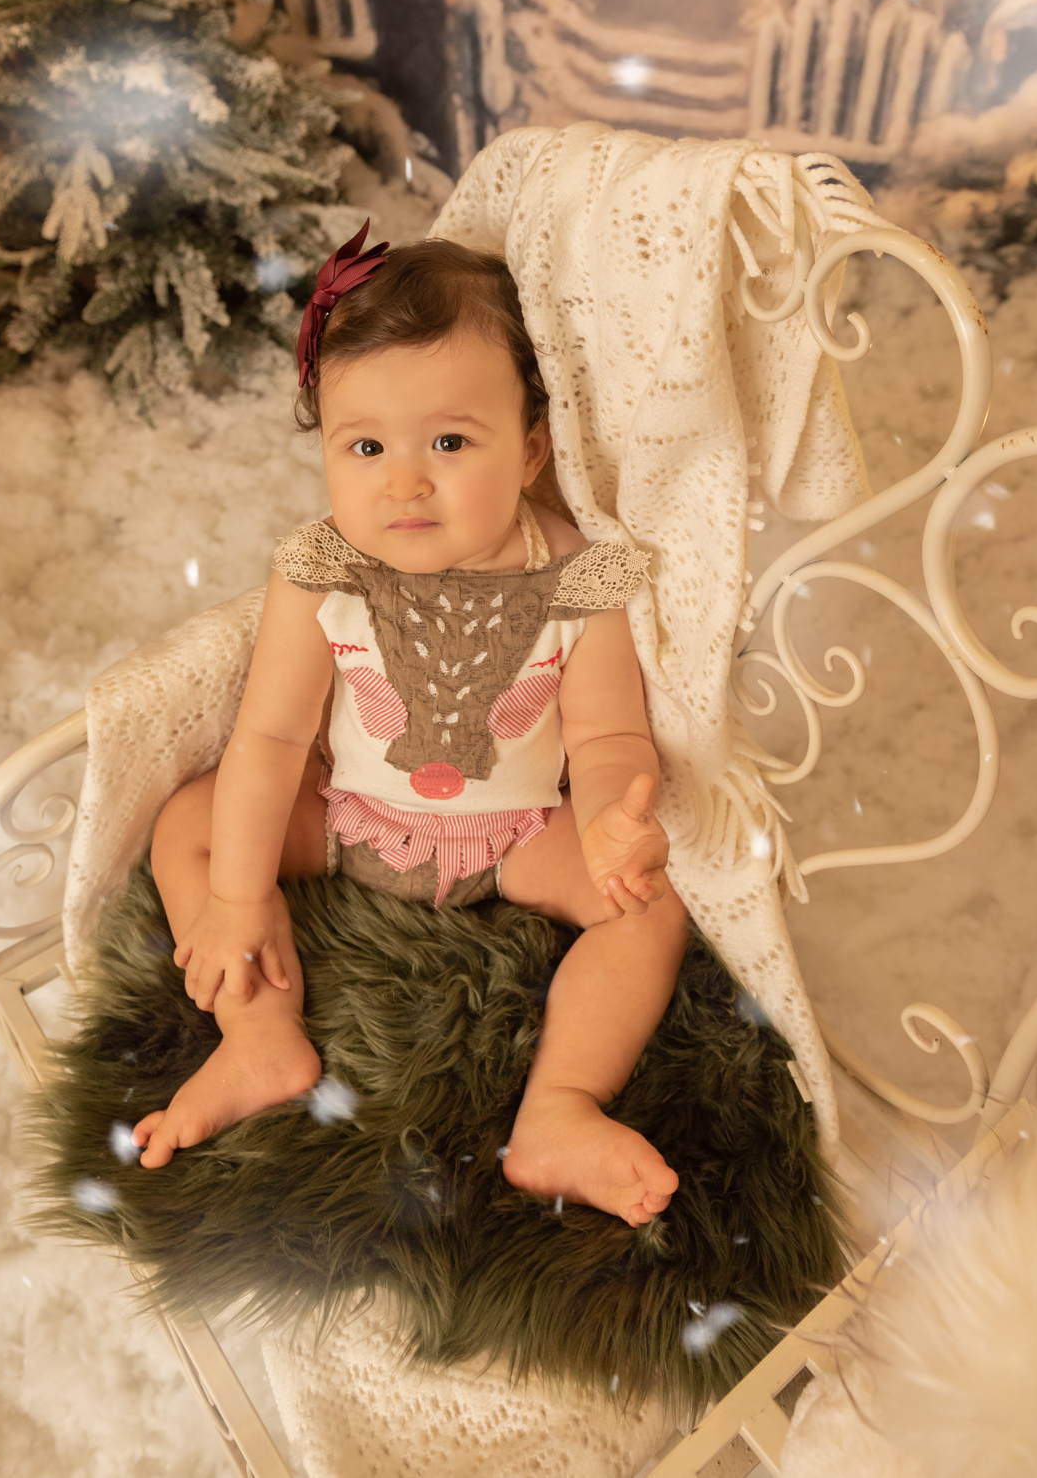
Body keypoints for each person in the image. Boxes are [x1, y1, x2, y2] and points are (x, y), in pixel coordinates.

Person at [132, 226, 691, 1226]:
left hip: (517, 836)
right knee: (190, 823)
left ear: (530, 449)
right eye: (366, 447)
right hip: (352, 819)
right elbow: (270, 740)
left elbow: (608, 736)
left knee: (650, 909)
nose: (404, 481)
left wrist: (612, 820)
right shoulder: (322, 571)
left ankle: (561, 1108)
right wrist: (239, 897)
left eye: (449, 442)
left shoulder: (577, 579)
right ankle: (259, 1034)